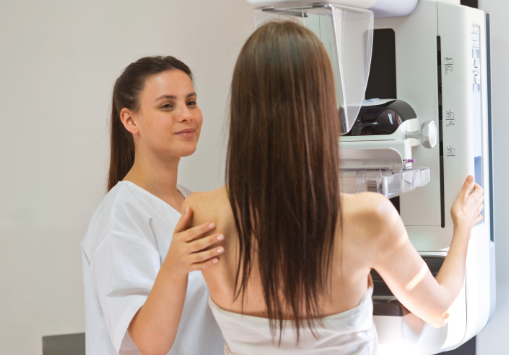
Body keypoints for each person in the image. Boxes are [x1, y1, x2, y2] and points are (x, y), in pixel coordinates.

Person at [183, 21, 484, 354]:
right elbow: (438, 310)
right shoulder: (369, 217)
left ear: (242, 108)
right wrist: (463, 226)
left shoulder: (200, 213)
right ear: (321, 106)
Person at [81, 56, 225, 355]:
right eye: (167, 105)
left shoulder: (189, 202)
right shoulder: (120, 217)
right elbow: (148, 342)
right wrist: (175, 265)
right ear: (130, 120)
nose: (186, 115)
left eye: (191, 102)